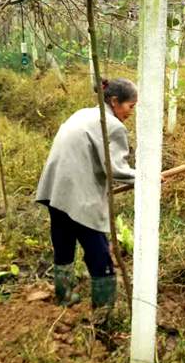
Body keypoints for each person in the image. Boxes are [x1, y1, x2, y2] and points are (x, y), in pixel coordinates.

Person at [36, 77, 137, 328]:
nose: (131, 113)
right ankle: (103, 313)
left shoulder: (83, 113)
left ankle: (64, 294)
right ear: (115, 101)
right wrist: (146, 177)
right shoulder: (111, 126)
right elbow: (115, 169)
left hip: (55, 189)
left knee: (63, 243)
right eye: (130, 106)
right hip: (78, 195)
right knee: (98, 252)